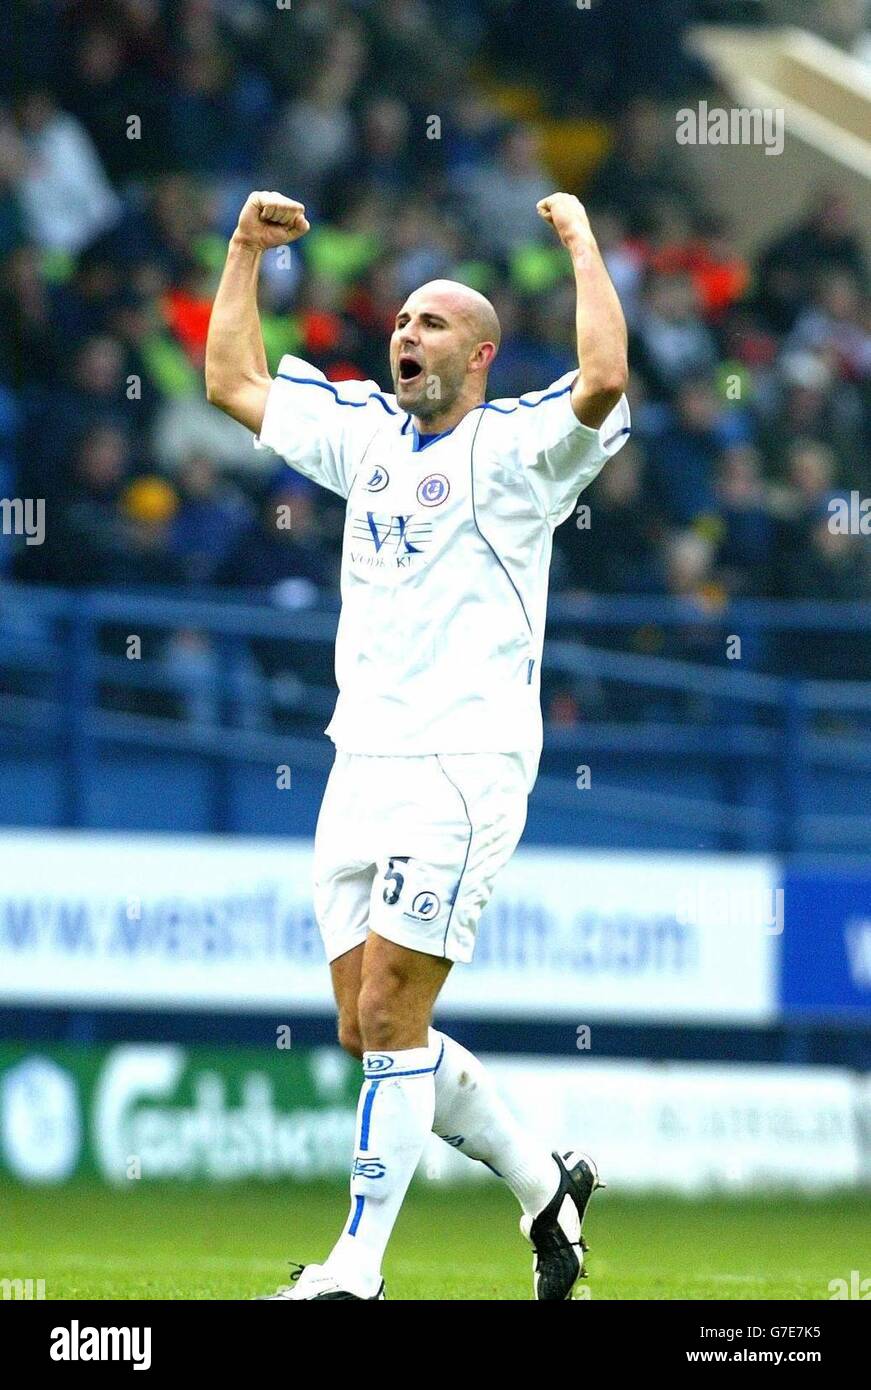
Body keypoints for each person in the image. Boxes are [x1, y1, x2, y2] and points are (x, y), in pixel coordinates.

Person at [205, 188, 630, 1301]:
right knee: (367, 1027)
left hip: (466, 762)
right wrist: (244, 250)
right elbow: (232, 382)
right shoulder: (363, 438)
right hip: (363, 761)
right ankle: (549, 1185)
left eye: (433, 322)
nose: (405, 332)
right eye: (400, 319)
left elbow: (602, 381)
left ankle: (356, 1268)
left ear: (482, 352)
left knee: (393, 1013)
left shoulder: (520, 448)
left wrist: (583, 245)